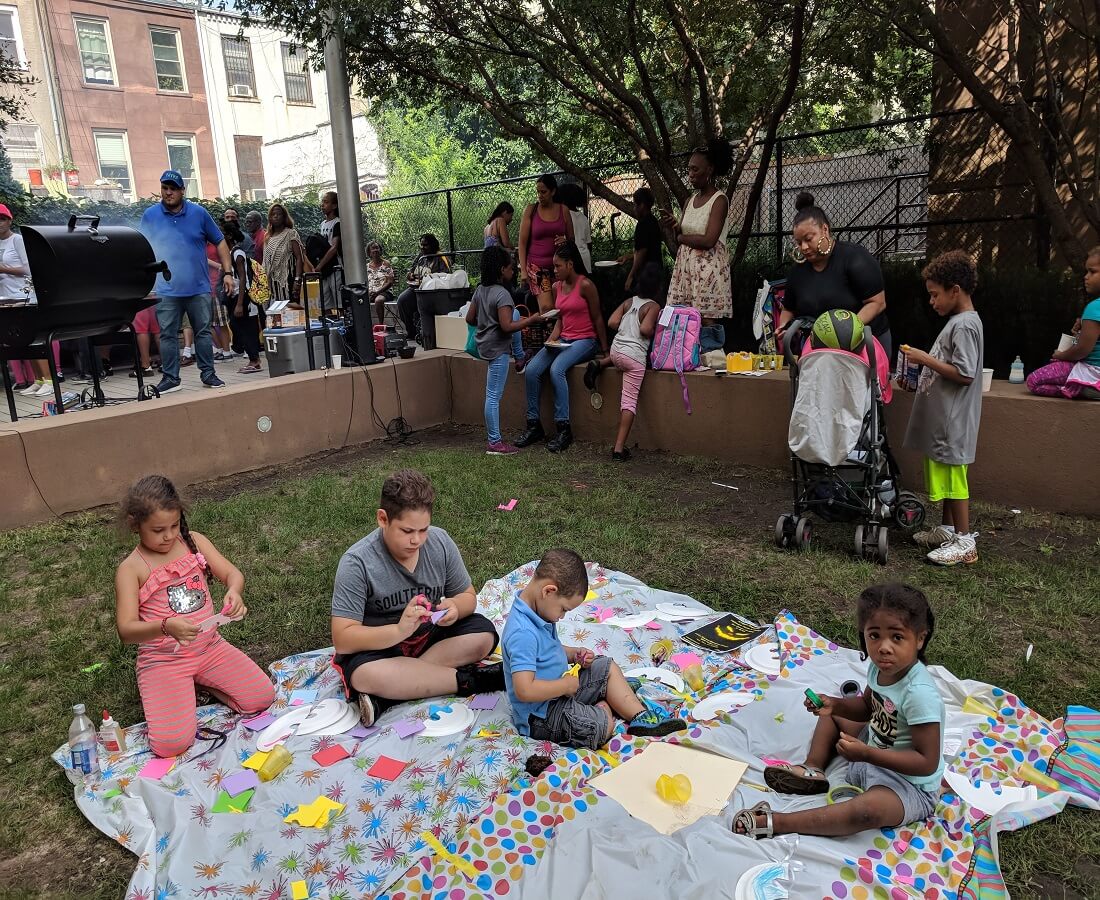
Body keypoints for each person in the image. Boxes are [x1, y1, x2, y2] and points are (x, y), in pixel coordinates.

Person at [733, 583, 942, 840]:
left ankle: (778, 822)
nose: (884, 647)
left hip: (908, 784)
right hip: (873, 746)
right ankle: (813, 768)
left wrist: (867, 754)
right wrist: (836, 705)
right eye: (874, 636)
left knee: (866, 811)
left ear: (920, 638)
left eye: (897, 637)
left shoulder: (919, 693)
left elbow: (926, 762)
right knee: (830, 713)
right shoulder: (881, 669)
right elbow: (867, 707)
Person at [114, 474, 275, 758]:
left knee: (262, 697)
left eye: (175, 525)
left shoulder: (194, 542)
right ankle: (184, 688)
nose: (169, 535)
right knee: (171, 745)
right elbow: (126, 630)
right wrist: (165, 626)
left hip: (209, 648)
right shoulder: (131, 568)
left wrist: (234, 592)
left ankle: (202, 683)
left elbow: (232, 573)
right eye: (158, 529)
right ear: (134, 524)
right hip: (164, 661)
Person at [330, 469, 504, 727]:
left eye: (424, 529)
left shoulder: (440, 541)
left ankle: (390, 696)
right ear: (383, 519)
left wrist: (455, 607)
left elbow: (467, 596)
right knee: (364, 675)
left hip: (428, 637)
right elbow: (343, 639)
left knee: (484, 633)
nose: (417, 540)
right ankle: (474, 680)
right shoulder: (357, 562)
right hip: (382, 648)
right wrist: (399, 630)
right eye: (407, 530)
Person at [501, 548, 686, 749]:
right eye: (563, 609)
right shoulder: (523, 633)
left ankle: (639, 715)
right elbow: (524, 690)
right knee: (601, 726)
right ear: (549, 591)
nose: (562, 616)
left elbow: (545, 650)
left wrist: (572, 654)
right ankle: (606, 706)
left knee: (606, 667)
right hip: (542, 714)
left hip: (561, 688)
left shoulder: (539, 610)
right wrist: (565, 686)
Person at [902, 251, 984, 566]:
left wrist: (925, 359)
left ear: (955, 290)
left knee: (954, 478)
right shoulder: (960, 322)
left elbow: (964, 374)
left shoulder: (963, 325)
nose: (932, 301)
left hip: (954, 421)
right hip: (947, 419)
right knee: (948, 476)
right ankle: (949, 530)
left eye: (935, 295)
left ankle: (964, 542)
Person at [138, 170, 228, 393]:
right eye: (164, 188)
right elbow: (142, 248)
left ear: (182, 191)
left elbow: (220, 242)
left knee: (203, 332)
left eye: (172, 189)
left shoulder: (199, 213)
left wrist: (227, 272)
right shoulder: (150, 215)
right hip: (167, 288)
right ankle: (170, 379)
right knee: (167, 334)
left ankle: (208, 374)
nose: (168, 193)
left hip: (198, 287)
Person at [516, 241, 609, 453]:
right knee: (531, 370)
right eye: (554, 266)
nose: (554, 270)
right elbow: (560, 319)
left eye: (558, 266)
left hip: (585, 340)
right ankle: (533, 425)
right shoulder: (557, 288)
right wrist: (552, 340)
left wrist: (605, 351)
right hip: (564, 338)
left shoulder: (586, 285)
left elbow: (598, 318)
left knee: (557, 369)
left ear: (570, 264)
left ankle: (563, 428)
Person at [779, 192, 892, 359]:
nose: (803, 247)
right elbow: (788, 309)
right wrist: (784, 326)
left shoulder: (855, 258)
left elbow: (877, 303)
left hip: (864, 345)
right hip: (820, 349)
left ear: (825, 229)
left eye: (808, 239)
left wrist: (844, 331)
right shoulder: (798, 272)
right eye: (798, 242)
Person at [466, 245, 547, 454]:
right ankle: (495, 442)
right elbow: (506, 326)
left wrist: (486, 320)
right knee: (493, 396)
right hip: (498, 350)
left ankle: (520, 357)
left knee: (516, 315)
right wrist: (533, 319)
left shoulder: (480, 290)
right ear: (502, 270)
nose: (513, 272)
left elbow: (469, 318)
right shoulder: (502, 294)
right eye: (511, 268)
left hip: (485, 345)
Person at [583, 264, 662, 460]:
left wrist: (627, 325)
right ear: (658, 287)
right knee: (629, 402)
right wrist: (654, 330)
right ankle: (619, 448)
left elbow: (611, 322)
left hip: (616, 351)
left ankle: (599, 364)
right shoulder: (653, 306)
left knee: (619, 357)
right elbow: (644, 330)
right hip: (633, 358)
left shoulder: (628, 301)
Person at [662, 139, 733, 350]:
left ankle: (712, 364)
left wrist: (682, 239)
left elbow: (709, 240)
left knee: (707, 320)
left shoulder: (719, 200)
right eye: (689, 169)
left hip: (708, 273)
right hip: (686, 271)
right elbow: (682, 234)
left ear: (709, 169)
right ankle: (687, 360)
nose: (690, 174)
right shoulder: (689, 201)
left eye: (695, 169)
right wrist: (675, 226)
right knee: (683, 316)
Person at [1026, 245, 1100, 400]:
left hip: (1091, 371)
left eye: (1092, 272)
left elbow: (1082, 350)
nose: (1086, 276)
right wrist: (1080, 332)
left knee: (1033, 381)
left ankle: (1081, 388)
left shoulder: (1094, 308)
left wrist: (1061, 356)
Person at [0, 204, 56, 396]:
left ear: (9, 220)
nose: (0, 223)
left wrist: (3, 269)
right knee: (22, 341)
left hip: (23, 296)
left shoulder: (17, 241)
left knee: (34, 340)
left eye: (2, 219)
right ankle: (38, 380)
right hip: (5, 298)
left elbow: (29, 269)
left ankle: (49, 380)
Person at [518, 174, 575, 313]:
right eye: (538, 192)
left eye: (543, 192)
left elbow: (572, 239)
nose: (540, 195)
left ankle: (561, 333)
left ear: (553, 191)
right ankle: (549, 333)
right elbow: (522, 243)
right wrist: (524, 271)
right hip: (537, 266)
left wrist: (566, 241)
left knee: (560, 306)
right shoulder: (531, 210)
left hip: (558, 266)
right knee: (547, 308)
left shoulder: (563, 210)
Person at [225, 221, 264, 375]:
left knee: (247, 328)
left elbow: (243, 279)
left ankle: (255, 361)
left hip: (244, 297)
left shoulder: (237, 253)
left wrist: (240, 303)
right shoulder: (231, 252)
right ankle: (252, 359)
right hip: (236, 296)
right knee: (237, 326)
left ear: (228, 235)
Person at [396, 234, 451, 341]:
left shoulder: (440, 257)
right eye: (421, 245)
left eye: (425, 245)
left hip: (432, 291)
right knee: (402, 300)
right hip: (417, 288)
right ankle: (411, 331)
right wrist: (410, 275)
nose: (422, 247)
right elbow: (411, 271)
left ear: (433, 245)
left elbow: (447, 277)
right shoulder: (421, 256)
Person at [617, 187, 664, 294]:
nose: (634, 208)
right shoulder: (653, 221)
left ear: (642, 205)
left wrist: (630, 276)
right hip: (656, 268)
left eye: (635, 205)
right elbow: (647, 248)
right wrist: (627, 257)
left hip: (647, 272)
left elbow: (642, 252)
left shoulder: (643, 225)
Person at [263, 203, 307, 304]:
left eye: (279, 214)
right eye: (273, 214)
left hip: (288, 280)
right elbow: (265, 261)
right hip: (271, 282)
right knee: (275, 313)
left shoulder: (291, 233)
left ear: (284, 217)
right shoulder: (267, 236)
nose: (276, 216)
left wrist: (297, 280)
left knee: (290, 311)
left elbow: (299, 257)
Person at [206, 241, 236, 361]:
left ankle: (227, 352)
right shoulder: (201, 245)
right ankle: (219, 349)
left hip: (217, 287)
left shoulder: (217, 244)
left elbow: (224, 265)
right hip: (205, 288)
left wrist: (207, 261)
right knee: (209, 323)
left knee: (222, 322)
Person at [316, 191, 344, 313]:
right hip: (324, 269)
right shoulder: (323, 224)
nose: (322, 205)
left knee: (339, 302)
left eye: (326, 202)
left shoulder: (337, 223)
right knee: (325, 303)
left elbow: (334, 247)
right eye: (322, 202)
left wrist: (319, 265)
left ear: (334, 205)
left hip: (334, 267)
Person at [554, 183, 592, 272]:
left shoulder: (562, 216)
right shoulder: (583, 217)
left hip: (570, 260)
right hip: (585, 258)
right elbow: (589, 244)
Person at [367, 241, 396, 327]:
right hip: (370, 293)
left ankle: (380, 325)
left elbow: (390, 282)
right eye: (373, 248)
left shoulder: (386, 264)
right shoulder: (366, 267)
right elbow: (364, 283)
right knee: (359, 301)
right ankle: (366, 326)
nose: (375, 250)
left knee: (378, 300)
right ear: (369, 252)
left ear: (380, 250)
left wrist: (377, 292)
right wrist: (369, 292)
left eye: (377, 248)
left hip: (385, 292)